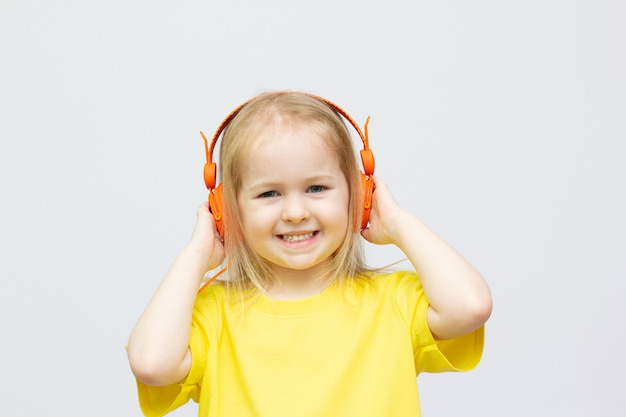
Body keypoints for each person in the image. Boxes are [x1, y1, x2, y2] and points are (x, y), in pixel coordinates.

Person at [126, 91, 492, 417]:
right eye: (269, 193)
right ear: (226, 210)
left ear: (360, 197)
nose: (295, 212)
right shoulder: (214, 315)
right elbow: (151, 363)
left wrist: (397, 222)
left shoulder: (394, 301)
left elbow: (470, 307)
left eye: (316, 187)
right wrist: (196, 254)